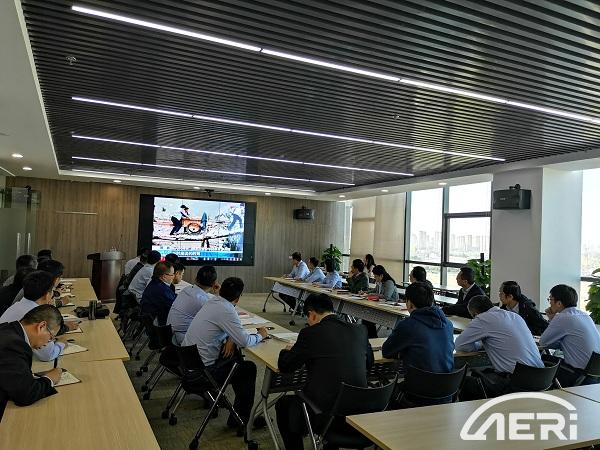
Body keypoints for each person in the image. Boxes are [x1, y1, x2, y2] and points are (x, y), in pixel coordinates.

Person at [276, 294, 374, 450]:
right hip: (361, 411)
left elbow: (286, 366)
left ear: (312, 314)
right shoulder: (360, 330)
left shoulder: (310, 334)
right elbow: (369, 363)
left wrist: (286, 350)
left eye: (307, 318)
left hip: (326, 415)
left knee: (284, 404)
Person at [183, 277, 267, 431]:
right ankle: (241, 419)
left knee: (236, 357)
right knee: (248, 368)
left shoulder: (212, 302)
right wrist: (261, 335)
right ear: (238, 298)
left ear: (220, 291)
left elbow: (227, 327)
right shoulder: (227, 310)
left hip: (187, 364)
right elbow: (245, 341)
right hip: (203, 373)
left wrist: (231, 338)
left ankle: (236, 412)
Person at [456, 295, 544, 399]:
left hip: (517, 384)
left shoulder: (482, 319)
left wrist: (477, 346)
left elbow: (459, 345)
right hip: (541, 379)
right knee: (487, 373)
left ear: (476, 313)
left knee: (467, 382)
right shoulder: (515, 316)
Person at [382, 282, 454, 406]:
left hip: (419, 393)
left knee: (385, 392)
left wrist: (403, 352)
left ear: (409, 303)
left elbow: (387, 351)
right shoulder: (448, 324)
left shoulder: (409, 325)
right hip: (447, 392)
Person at [0, 304, 63, 419]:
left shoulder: (8, 329)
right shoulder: (13, 344)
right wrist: (49, 379)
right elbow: (25, 395)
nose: (47, 343)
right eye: (51, 337)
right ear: (41, 326)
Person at [540, 284, 600, 387]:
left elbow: (543, 342)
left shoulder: (563, 317)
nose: (549, 303)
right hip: (594, 376)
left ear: (559, 303)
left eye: (550, 299)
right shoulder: (584, 315)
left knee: (540, 360)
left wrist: (552, 319)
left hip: (577, 375)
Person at [0, 271, 67, 362]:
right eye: (52, 291)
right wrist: (62, 343)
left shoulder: (18, 305)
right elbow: (48, 355)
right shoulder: (37, 315)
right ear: (47, 295)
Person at [167, 266, 219, 344]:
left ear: (196, 279)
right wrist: (218, 295)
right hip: (182, 341)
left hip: (170, 335)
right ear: (214, 283)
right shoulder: (203, 301)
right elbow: (219, 317)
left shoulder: (186, 290)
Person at [362, 265, 400, 338]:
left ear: (381, 275)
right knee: (366, 317)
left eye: (376, 276)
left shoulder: (389, 282)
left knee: (369, 317)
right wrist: (366, 292)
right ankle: (371, 336)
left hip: (391, 307)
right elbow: (375, 290)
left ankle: (372, 337)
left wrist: (372, 294)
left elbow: (387, 296)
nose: (375, 278)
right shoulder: (380, 282)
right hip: (381, 305)